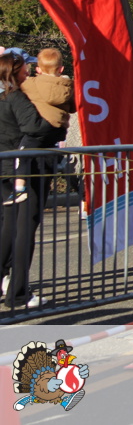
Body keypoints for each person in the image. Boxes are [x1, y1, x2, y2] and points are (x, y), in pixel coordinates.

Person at [0, 52, 54, 308]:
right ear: (15, 71)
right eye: (25, 68)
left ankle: (10, 284)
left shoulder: (5, 97)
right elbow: (34, 127)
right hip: (22, 169)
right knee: (24, 229)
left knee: (9, 227)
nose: (29, 72)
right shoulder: (16, 97)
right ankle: (19, 292)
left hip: (5, 168)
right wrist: (53, 124)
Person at [15, 49, 74, 204]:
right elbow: (74, 107)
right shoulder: (67, 87)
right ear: (61, 69)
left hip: (40, 126)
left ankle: (19, 186)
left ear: (38, 69)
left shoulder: (31, 83)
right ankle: (58, 160)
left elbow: (18, 91)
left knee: (23, 152)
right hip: (58, 129)